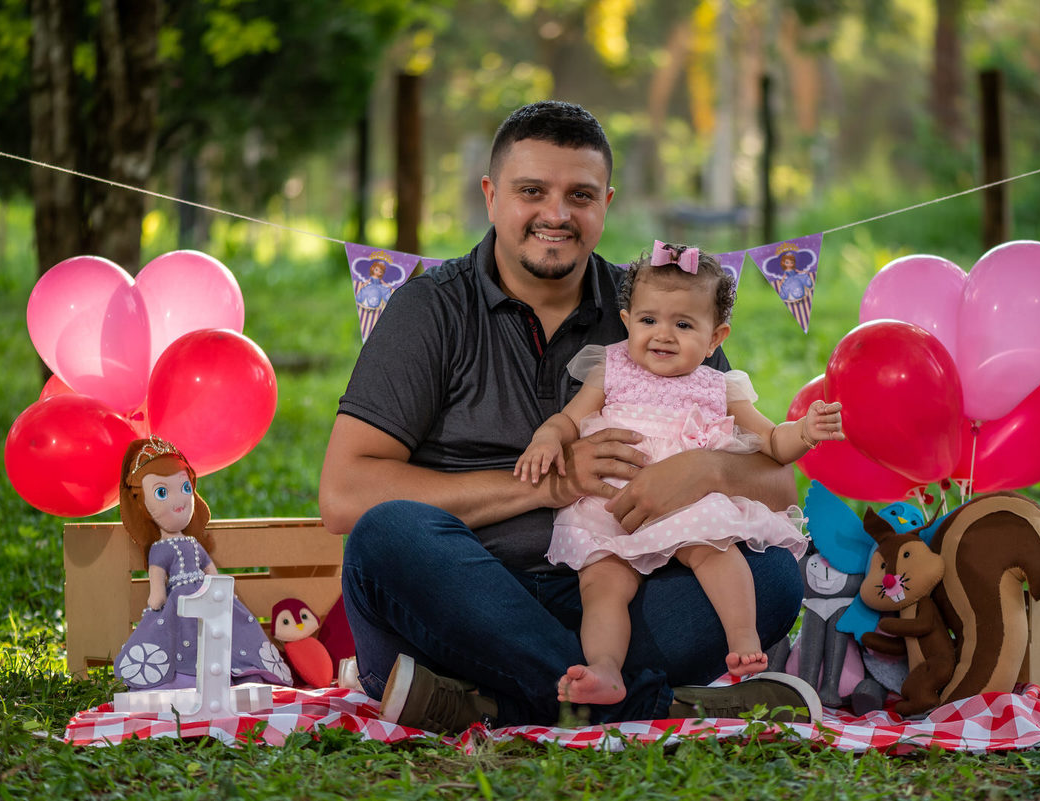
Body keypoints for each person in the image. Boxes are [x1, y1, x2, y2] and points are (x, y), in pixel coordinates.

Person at [319, 100, 821, 733]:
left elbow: (777, 485)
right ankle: (646, 706)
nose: (556, 215)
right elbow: (343, 496)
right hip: (461, 598)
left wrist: (699, 469)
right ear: (491, 196)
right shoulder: (431, 309)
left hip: (620, 592)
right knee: (387, 536)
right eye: (532, 191)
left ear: (605, 204)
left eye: (579, 195)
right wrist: (557, 483)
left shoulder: (659, 308)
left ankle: (504, 701)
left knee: (771, 574)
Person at [514, 241, 843, 706]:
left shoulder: (719, 387)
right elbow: (569, 419)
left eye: (683, 324)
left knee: (715, 550)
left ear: (715, 339)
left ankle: (743, 639)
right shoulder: (610, 369)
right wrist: (548, 438)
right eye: (648, 320)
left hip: (686, 506)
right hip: (609, 507)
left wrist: (804, 431)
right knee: (602, 584)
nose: (663, 335)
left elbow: (771, 444)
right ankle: (605, 670)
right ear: (627, 322)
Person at [114, 436, 292, 690]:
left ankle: (242, 670)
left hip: (208, 594)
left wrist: (218, 587)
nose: (180, 499)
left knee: (229, 629)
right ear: (142, 505)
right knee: (186, 635)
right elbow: (157, 584)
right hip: (182, 601)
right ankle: (185, 677)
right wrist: (156, 596)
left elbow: (210, 569)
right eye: (162, 492)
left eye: (185, 488)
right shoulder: (160, 549)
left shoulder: (193, 544)